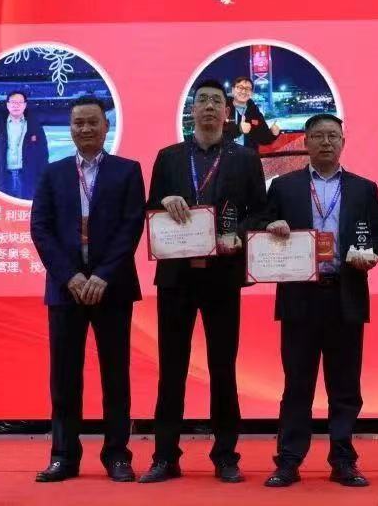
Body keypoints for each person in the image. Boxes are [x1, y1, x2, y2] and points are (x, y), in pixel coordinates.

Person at [140, 78, 267, 484]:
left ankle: (226, 455)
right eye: (202, 101)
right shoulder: (169, 157)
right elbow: (150, 209)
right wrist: (163, 201)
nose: (209, 107)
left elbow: (260, 212)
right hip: (176, 277)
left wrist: (239, 234)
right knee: (172, 368)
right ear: (192, 110)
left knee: (223, 367)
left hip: (223, 276)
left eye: (216, 101)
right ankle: (165, 456)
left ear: (227, 112)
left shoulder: (244, 159)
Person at [252, 114, 378, 489]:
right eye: (318, 136)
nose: (326, 142)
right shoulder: (284, 186)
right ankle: (288, 461)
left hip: (346, 293)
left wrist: (371, 255)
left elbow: (377, 236)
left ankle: (343, 460)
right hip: (300, 296)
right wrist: (270, 227)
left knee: (345, 386)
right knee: (297, 384)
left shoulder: (364, 188)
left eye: (333, 136)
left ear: (343, 142)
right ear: (305, 142)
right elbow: (261, 227)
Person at [29, 96, 146, 483]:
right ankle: (63, 456)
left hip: (112, 288)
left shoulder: (127, 171)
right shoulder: (53, 173)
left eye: (92, 122)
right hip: (67, 290)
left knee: (116, 375)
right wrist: (71, 277)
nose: (85, 129)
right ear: (70, 128)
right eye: (78, 123)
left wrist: (103, 275)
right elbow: (40, 229)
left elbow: (131, 227)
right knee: (64, 377)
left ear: (106, 126)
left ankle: (117, 455)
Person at [0, 90, 49, 199]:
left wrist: (44, 180)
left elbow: (43, 155)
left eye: (20, 102)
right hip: (2, 178)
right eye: (13, 102)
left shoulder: (35, 127)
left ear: (25, 105)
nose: (16, 105)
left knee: (26, 208)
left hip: (27, 179)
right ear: (7, 105)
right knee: (3, 208)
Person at [222, 76, 281, 150]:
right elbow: (214, 136)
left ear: (252, 93)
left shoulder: (254, 112)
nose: (244, 91)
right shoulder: (221, 109)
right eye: (240, 87)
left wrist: (273, 134)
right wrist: (238, 129)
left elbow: (264, 139)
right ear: (233, 90)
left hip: (250, 156)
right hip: (226, 155)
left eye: (248, 89)